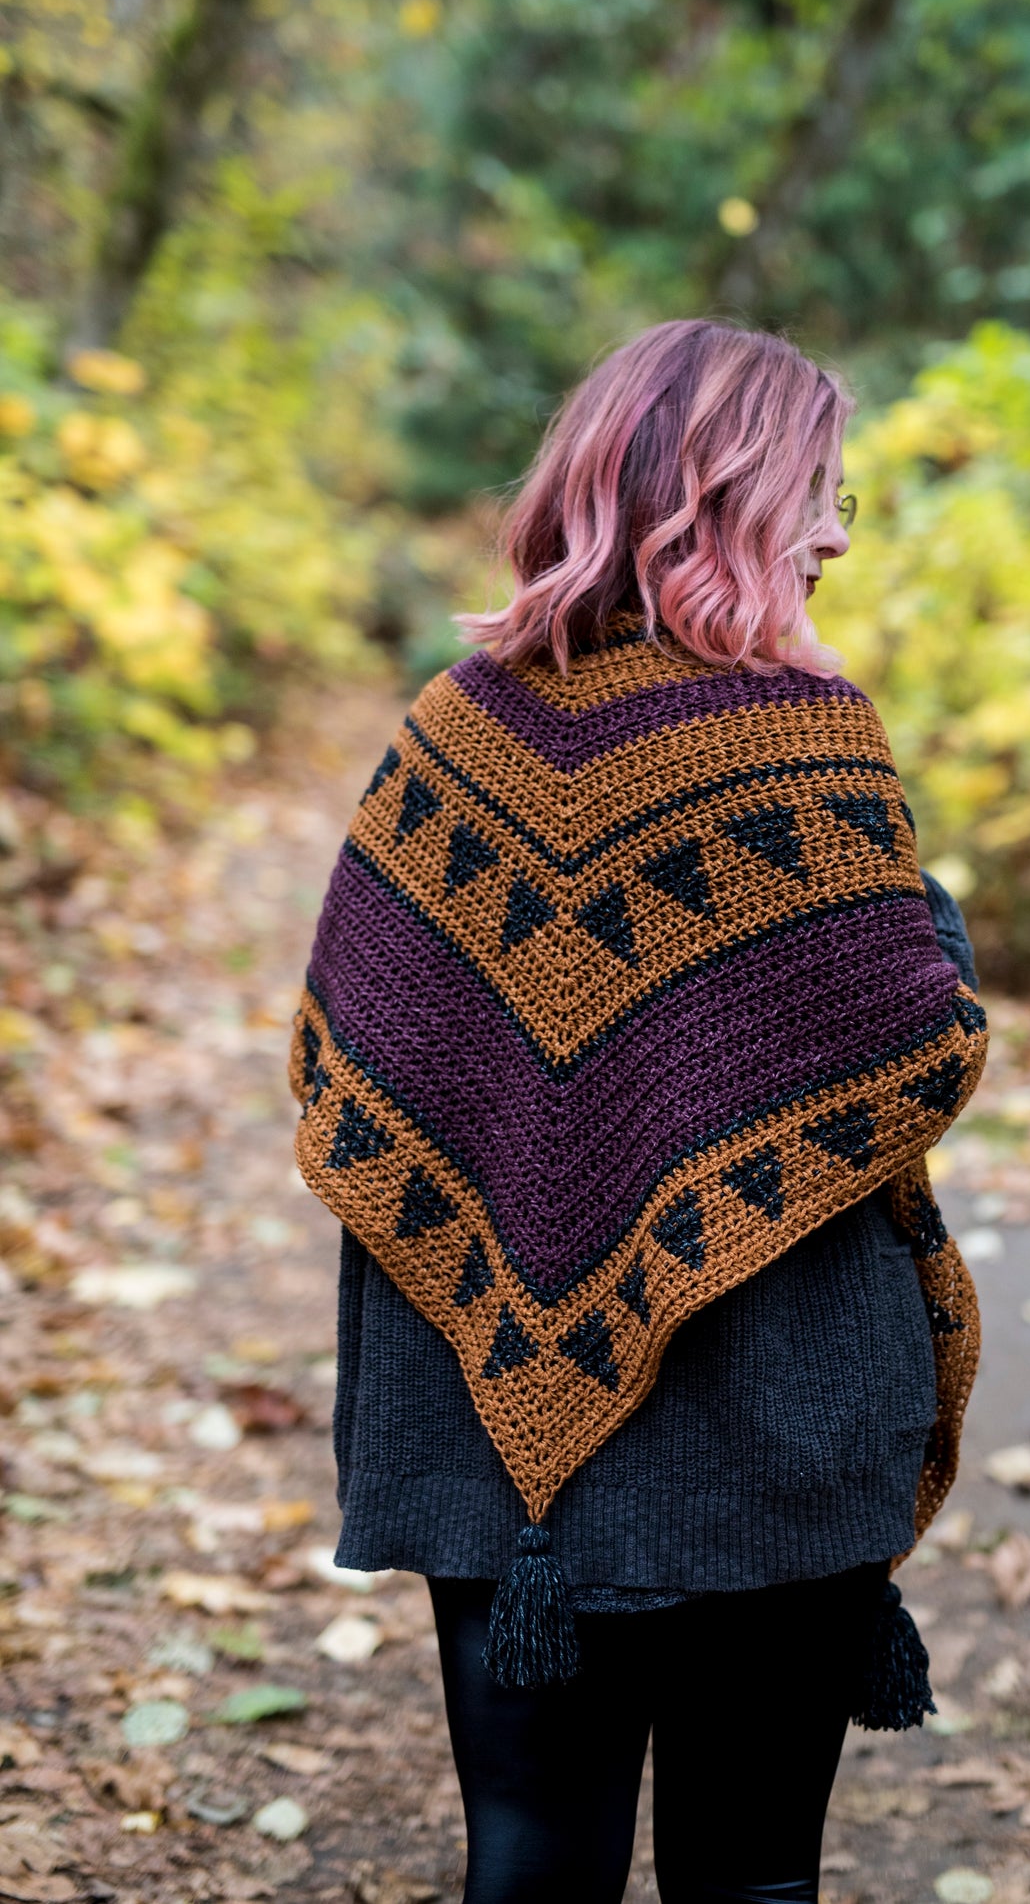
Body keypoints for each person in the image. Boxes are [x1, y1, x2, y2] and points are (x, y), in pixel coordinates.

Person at [289, 319, 988, 1904]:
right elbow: (917, 1045)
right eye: (820, 491)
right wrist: (933, 930)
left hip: (484, 1417)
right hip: (767, 1411)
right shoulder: (802, 742)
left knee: (528, 1857)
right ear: (725, 498)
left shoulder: (449, 735)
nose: (832, 532)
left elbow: (352, 1066)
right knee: (750, 1880)